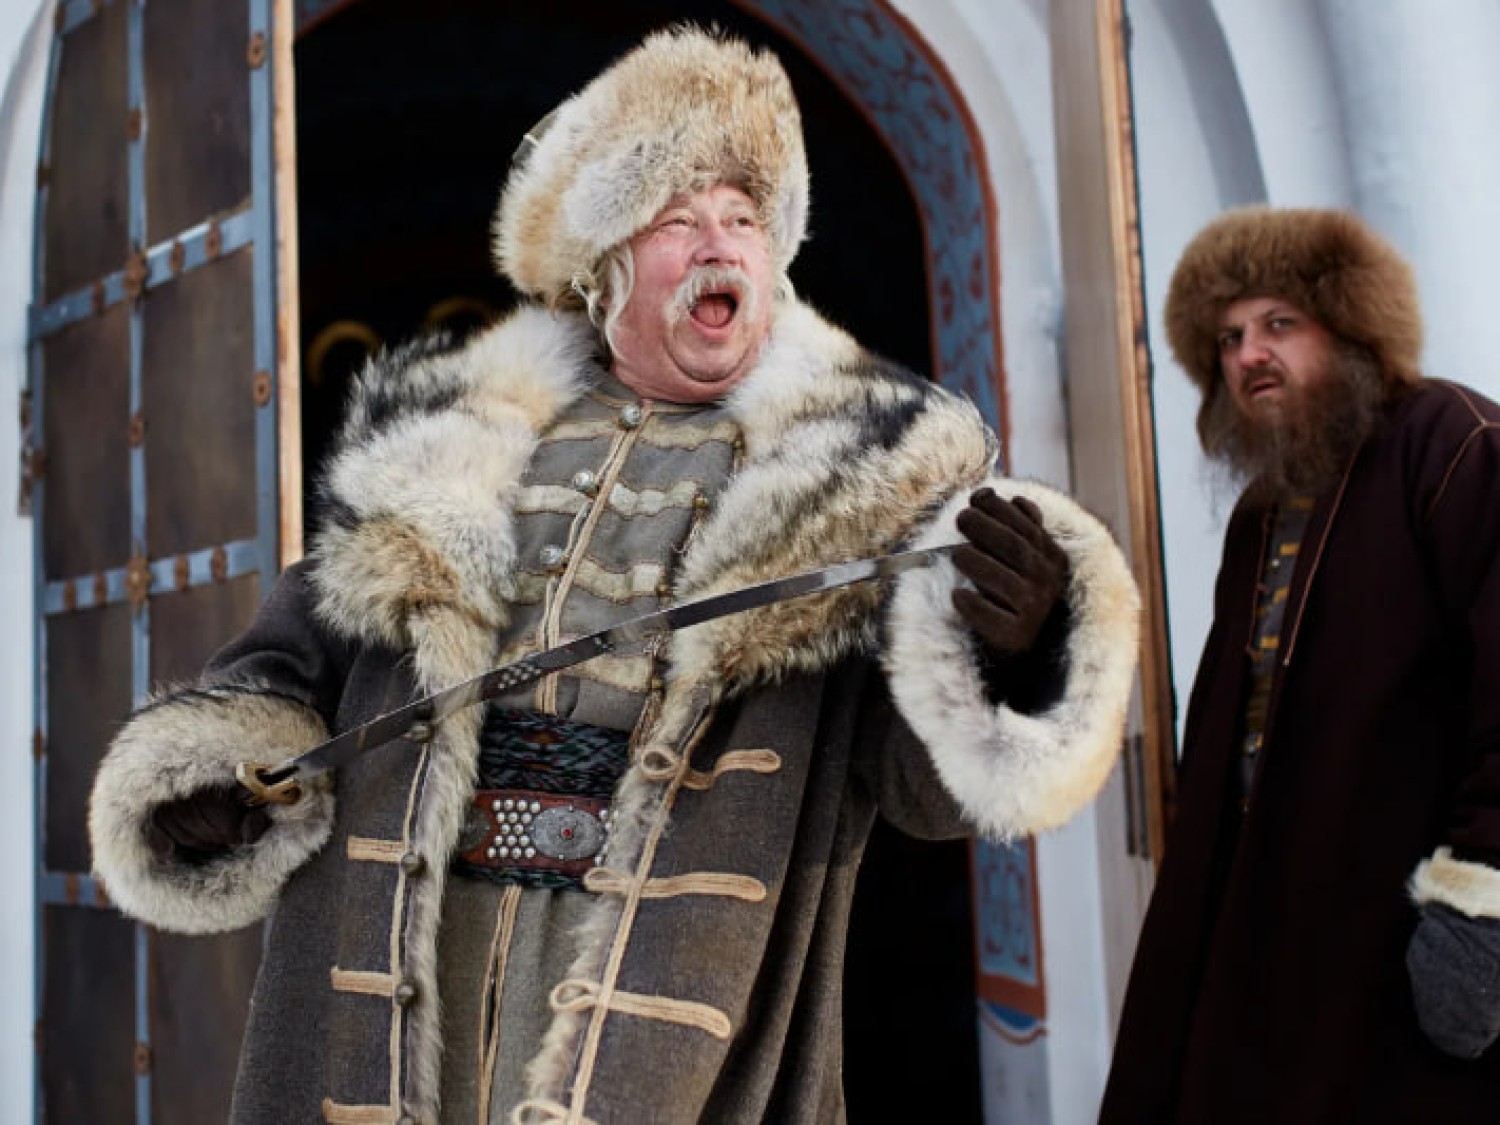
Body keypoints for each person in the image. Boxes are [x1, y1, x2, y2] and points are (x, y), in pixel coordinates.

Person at [89, 27, 1140, 1125]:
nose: (720, 245)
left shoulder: (854, 491)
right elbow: (292, 661)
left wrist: (1012, 647)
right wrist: (218, 774)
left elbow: (926, 791)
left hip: (676, 1015)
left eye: (744, 219)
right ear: (604, 273)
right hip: (420, 951)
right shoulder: (449, 450)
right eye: (679, 221)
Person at [1100, 207, 1500, 1123]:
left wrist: (1479, 909)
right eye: (1229, 338)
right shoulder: (1261, 512)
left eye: (1279, 323)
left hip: (1401, 935)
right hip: (1279, 930)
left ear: (1352, 325)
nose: (1249, 355)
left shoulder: (1452, 442)